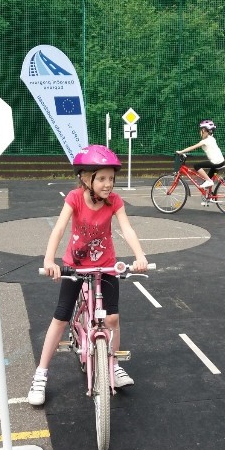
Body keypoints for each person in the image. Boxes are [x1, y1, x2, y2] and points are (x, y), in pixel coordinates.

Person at [29, 145, 149, 406]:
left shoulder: (114, 201)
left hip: (106, 265)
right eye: (102, 178)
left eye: (111, 178)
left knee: (113, 318)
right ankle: (41, 374)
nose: (108, 184)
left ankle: (113, 364)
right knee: (61, 317)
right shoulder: (74, 198)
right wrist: (49, 260)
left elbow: (127, 229)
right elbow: (59, 229)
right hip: (76, 266)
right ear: (86, 178)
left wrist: (140, 256)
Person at [176, 119, 225, 190]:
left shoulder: (205, 141)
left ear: (204, 130)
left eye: (201, 130)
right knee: (207, 180)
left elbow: (192, 147)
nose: (200, 132)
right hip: (220, 161)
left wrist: (181, 152)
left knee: (197, 166)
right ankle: (208, 195)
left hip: (216, 162)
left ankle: (209, 181)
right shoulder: (211, 138)